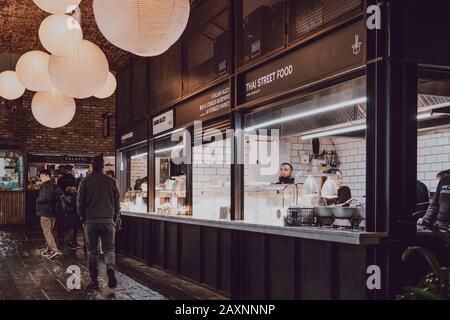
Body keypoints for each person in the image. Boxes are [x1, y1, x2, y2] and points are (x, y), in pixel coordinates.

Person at [77, 155, 121, 290]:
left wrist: (83, 219)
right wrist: (113, 219)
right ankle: (110, 269)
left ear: (92, 165)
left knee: (92, 252)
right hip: (108, 222)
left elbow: (79, 204)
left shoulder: (85, 181)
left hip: (91, 221)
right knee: (109, 250)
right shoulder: (112, 181)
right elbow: (117, 204)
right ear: (103, 166)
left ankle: (94, 280)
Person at [36, 169, 62, 259]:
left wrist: (38, 200)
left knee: (47, 231)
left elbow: (46, 198)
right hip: (53, 212)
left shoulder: (46, 186)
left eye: (42, 176)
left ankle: (55, 250)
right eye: (40, 177)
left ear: (47, 176)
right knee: (49, 232)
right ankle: (47, 249)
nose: (41, 178)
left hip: (45, 211)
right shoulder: (54, 185)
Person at [58, 165, 81, 249]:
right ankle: (72, 242)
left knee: (64, 222)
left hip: (64, 203)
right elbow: (76, 189)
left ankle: (61, 236)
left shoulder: (60, 179)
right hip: (72, 203)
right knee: (73, 225)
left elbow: (58, 190)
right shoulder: (73, 179)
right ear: (70, 170)